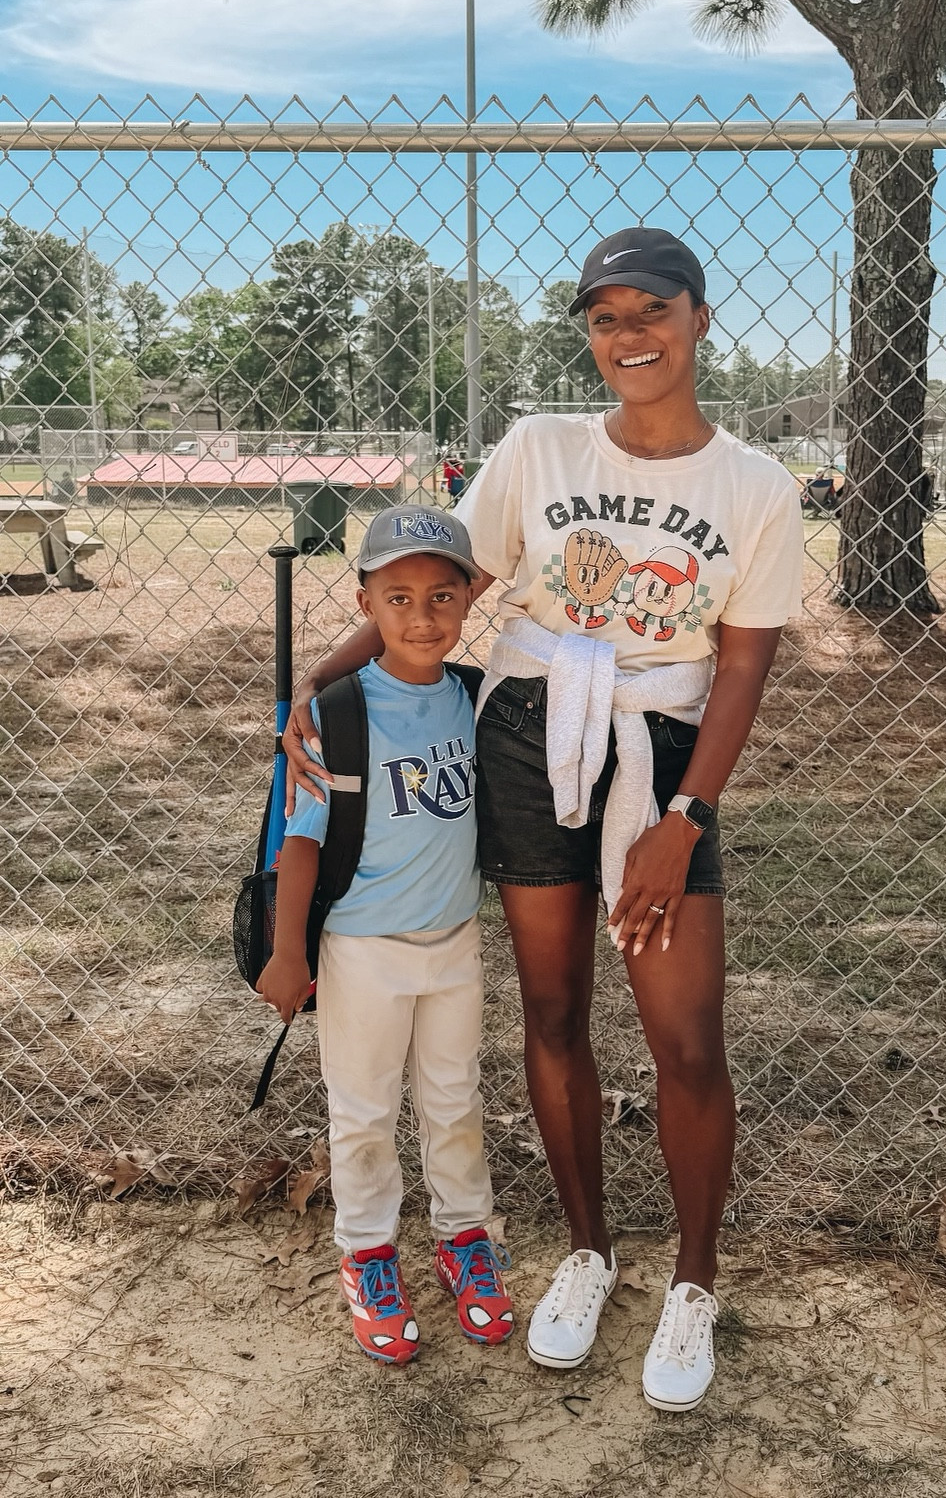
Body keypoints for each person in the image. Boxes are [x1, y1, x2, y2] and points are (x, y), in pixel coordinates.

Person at [284, 228, 803, 1413]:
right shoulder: (537, 448)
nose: (628, 336)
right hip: (526, 733)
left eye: (650, 311)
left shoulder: (755, 487)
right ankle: (587, 1250)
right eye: (604, 317)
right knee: (554, 1007)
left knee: (684, 1035)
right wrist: (320, 684)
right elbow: (447, 583)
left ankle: (694, 1277)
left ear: (699, 319)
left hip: (660, 750)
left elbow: (738, 670)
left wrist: (684, 814)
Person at [258, 505, 514, 1368]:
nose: (421, 616)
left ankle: (464, 1238)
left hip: (452, 944)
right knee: (362, 1111)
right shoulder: (339, 711)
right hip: (361, 950)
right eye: (397, 596)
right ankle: (367, 1252)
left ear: (471, 597)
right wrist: (289, 951)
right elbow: (302, 840)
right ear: (364, 599)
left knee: (454, 1102)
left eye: (443, 595)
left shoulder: (479, 698)